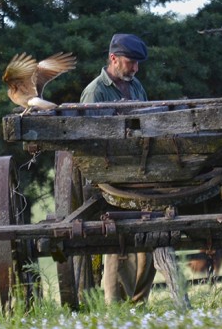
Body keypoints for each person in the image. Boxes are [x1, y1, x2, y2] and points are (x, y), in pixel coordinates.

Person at [80, 34, 189, 307]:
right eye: (130, 63)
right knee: (119, 249)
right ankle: (116, 308)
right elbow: (88, 142)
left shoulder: (136, 85)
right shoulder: (96, 92)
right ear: (113, 59)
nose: (135, 69)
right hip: (111, 179)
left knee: (150, 244)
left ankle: (138, 305)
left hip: (141, 175)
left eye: (138, 64)